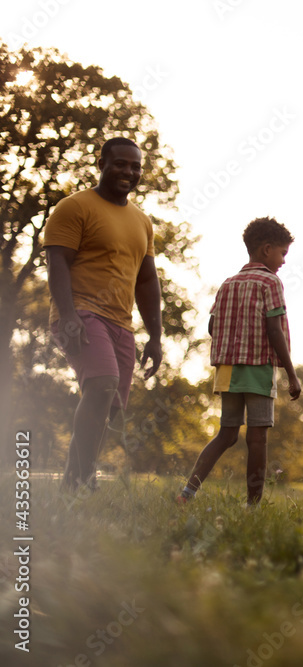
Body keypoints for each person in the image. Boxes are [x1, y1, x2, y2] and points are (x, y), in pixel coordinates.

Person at [44, 137, 163, 492]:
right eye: (121, 163)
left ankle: (75, 476)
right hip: (81, 313)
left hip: (121, 324)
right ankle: (81, 479)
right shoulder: (75, 206)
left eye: (135, 166)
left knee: (110, 406)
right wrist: (67, 314)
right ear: (102, 163)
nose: (128, 171)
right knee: (101, 385)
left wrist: (155, 337)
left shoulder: (142, 222)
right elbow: (57, 261)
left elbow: (146, 280)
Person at [177, 217, 301, 506]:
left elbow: (211, 326)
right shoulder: (270, 281)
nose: (283, 261)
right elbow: (275, 329)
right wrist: (292, 374)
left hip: (227, 369)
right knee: (257, 438)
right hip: (257, 367)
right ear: (266, 249)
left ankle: (187, 494)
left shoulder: (227, 283)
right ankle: (253, 506)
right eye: (282, 253)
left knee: (227, 434)